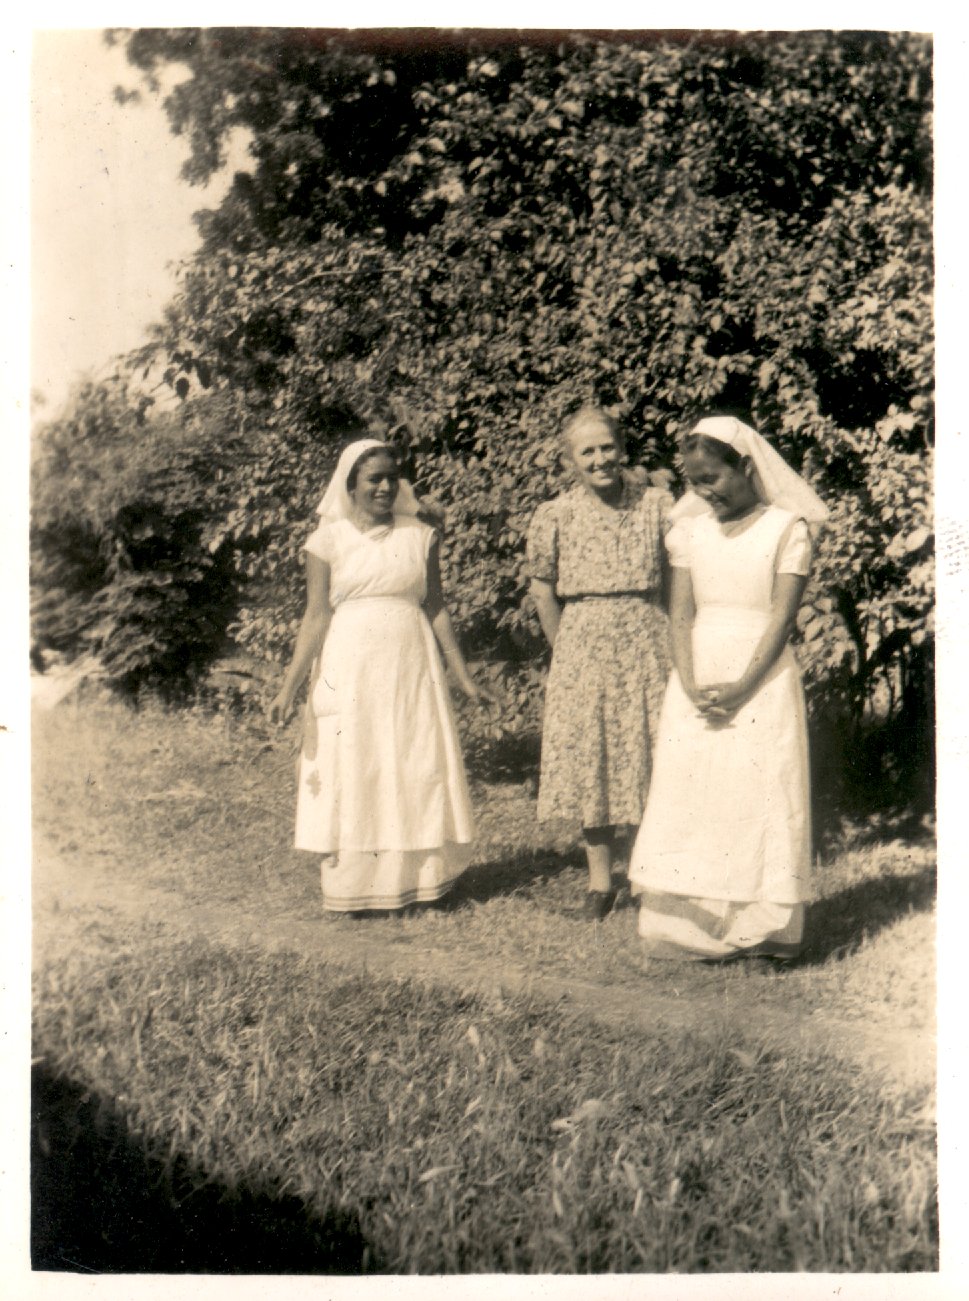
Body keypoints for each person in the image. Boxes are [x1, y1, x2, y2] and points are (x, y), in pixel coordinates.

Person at [627, 414, 829, 962]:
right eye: (694, 482)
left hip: (761, 677)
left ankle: (762, 931)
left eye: (713, 478)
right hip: (697, 674)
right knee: (696, 795)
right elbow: (679, 614)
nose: (704, 492)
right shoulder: (689, 531)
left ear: (745, 467)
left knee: (758, 794)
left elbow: (781, 618)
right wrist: (690, 682)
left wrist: (741, 688)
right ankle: (689, 929)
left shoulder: (786, 529)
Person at [268, 438, 493, 915]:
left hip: (411, 666)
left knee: (413, 761)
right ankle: (355, 886)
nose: (386, 487)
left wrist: (462, 673)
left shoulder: (420, 536)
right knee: (359, 763)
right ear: (350, 486)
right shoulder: (326, 542)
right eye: (374, 478)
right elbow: (315, 616)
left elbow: (435, 607)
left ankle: (422, 882)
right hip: (350, 667)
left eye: (392, 477)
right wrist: (289, 688)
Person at [527, 406, 673, 920]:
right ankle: (599, 883)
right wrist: (564, 649)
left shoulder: (657, 505)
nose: (600, 459)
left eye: (607, 447)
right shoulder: (555, 514)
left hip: (648, 640)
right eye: (586, 452)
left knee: (649, 753)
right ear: (571, 462)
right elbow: (542, 590)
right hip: (583, 644)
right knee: (594, 759)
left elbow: (679, 580)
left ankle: (649, 874)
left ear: (623, 449)